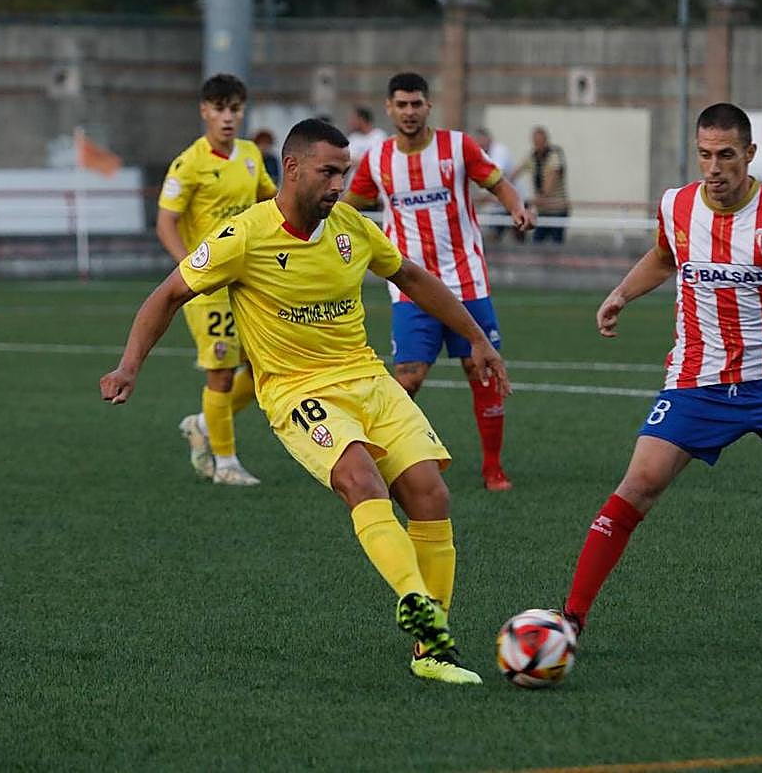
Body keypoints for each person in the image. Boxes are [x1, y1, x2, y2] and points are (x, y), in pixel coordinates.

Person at [101, 118, 511, 684]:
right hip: (299, 392)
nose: (339, 184)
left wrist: (476, 339)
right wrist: (129, 365)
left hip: (368, 379)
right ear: (292, 169)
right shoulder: (243, 236)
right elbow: (168, 293)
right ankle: (416, 599)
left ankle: (431, 652)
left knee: (430, 493)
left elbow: (413, 277)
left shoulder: (349, 227)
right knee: (360, 480)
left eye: (344, 172)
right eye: (328, 172)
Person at [560, 102, 762, 652]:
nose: (714, 167)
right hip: (697, 380)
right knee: (636, 486)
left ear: (750, 154)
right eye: (705, 155)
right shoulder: (677, 205)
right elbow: (665, 258)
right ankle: (570, 617)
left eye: (727, 155)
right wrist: (621, 293)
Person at [342, 72, 534, 492]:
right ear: (389, 108)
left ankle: (493, 468)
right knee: (407, 378)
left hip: (467, 282)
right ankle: (383, 458)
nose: (409, 112)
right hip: (410, 286)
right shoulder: (377, 159)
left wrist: (518, 207)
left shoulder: (458, 147)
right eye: (402, 105)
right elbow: (346, 207)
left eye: (417, 104)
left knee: (480, 370)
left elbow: (498, 182)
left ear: (429, 106)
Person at [156, 74, 277, 486]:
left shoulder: (249, 154)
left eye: (235, 109)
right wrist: (189, 265)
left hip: (249, 283)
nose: (228, 118)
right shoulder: (189, 163)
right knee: (221, 373)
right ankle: (225, 464)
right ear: (204, 111)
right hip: (209, 288)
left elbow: (269, 202)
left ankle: (205, 424)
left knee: (262, 368)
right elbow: (166, 222)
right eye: (219, 109)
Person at [511, 126, 569, 243]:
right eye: (535, 141)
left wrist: (538, 198)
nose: (537, 144)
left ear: (546, 140)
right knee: (537, 242)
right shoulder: (533, 156)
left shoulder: (554, 155)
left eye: (539, 141)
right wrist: (500, 187)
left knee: (556, 244)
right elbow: (516, 173)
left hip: (557, 209)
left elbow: (551, 180)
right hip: (542, 210)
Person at [473, 128, 517, 243]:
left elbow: (495, 177)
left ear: (489, 139)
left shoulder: (500, 151)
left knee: (518, 236)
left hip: (513, 199)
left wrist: (481, 198)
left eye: (481, 141)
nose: (480, 145)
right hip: (498, 204)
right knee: (493, 236)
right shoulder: (482, 154)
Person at [346, 105, 387, 178]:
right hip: (354, 184)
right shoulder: (352, 138)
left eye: (353, 119)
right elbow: (349, 161)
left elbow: (382, 160)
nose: (350, 122)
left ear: (361, 119)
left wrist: (360, 162)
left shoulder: (379, 135)